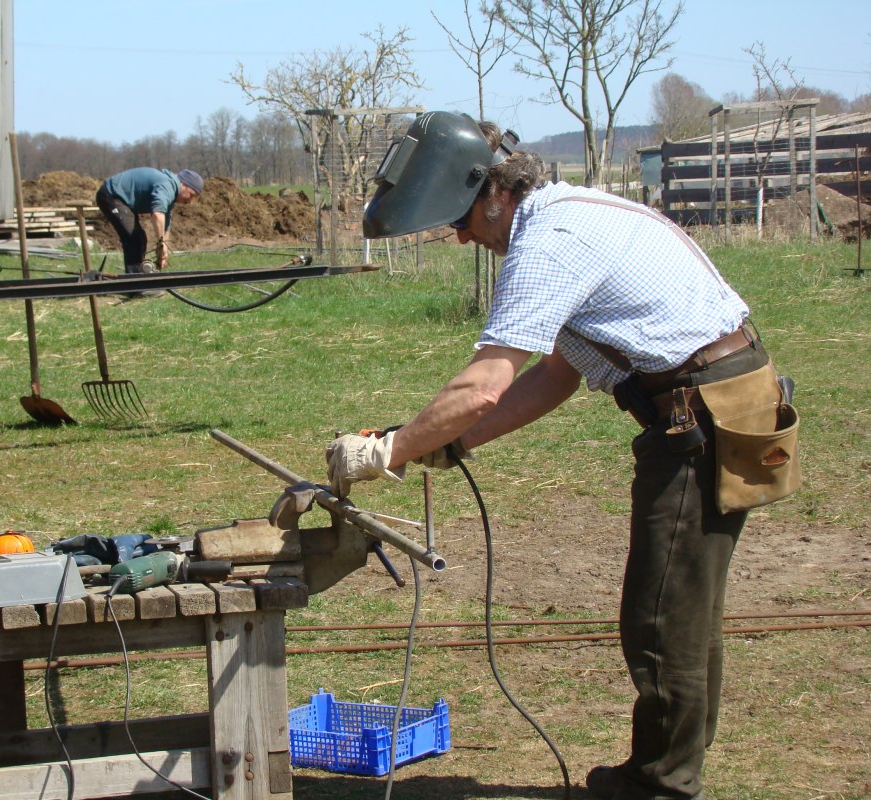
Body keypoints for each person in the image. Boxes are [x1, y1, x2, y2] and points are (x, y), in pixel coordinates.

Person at [326, 111, 782, 800]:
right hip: (711, 397)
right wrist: (450, 441)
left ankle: (661, 786)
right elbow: (554, 378)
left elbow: (485, 386)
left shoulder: (550, 241)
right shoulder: (560, 215)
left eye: (460, 220)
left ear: (492, 191)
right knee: (682, 610)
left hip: (702, 411)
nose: (457, 237)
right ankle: (670, 771)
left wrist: (383, 452)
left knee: (661, 617)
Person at [95, 167, 204, 273]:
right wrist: (161, 243)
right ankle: (135, 286)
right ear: (184, 185)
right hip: (111, 194)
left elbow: (166, 223)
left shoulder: (171, 191)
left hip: (122, 199)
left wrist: (163, 249)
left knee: (139, 238)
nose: (190, 201)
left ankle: (139, 277)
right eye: (191, 195)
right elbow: (157, 214)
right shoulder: (167, 186)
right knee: (135, 238)